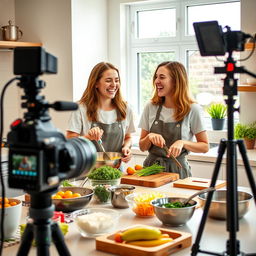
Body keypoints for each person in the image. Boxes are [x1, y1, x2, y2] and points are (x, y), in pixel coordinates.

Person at [138, 61, 209, 179]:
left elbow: (205, 146)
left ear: (176, 81)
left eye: (162, 77)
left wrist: (183, 142)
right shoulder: (150, 106)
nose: (156, 81)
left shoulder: (193, 109)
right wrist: (150, 137)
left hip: (178, 172)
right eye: (156, 77)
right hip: (151, 171)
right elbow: (142, 147)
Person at [66, 62, 135, 166]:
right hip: (86, 171)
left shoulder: (125, 109)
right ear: (96, 83)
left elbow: (128, 137)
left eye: (116, 80)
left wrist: (126, 148)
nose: (114, 85)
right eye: (108, 80)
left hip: (116, 171)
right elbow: (70, 142)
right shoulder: (80, 108)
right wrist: (88, 137)